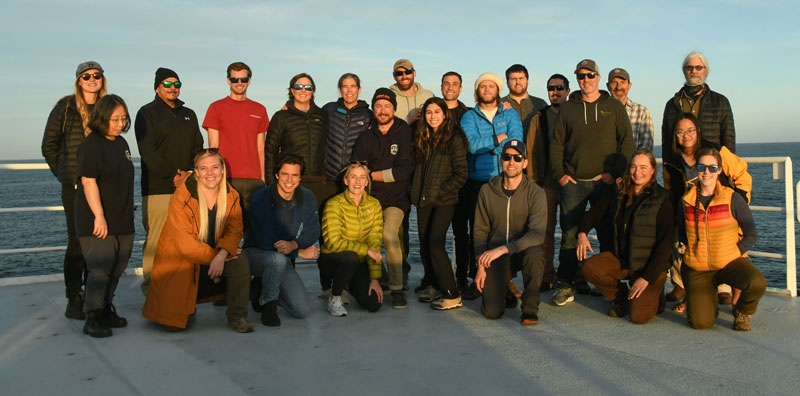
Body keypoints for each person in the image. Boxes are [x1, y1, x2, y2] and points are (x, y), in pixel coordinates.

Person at [549, 59, 633, 306]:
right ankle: (565, 285)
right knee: (569, 235)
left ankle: (610, 285)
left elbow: (626, 143)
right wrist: (560, 175)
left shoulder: (614, 107)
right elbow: (556, 144)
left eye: (590, 75)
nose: (585, 80)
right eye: (581, 76)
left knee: (608, 234)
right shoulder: (567, 108)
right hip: (573, 183)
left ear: (598, 77)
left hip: (604, 183)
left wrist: (614, 174)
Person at [142, 150, 254, 333]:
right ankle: (185, 307)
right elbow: (185, 244)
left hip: (214, 258)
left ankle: (237, 316)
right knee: (173, 326)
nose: (210, 173)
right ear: (196, 171)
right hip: (184, 259)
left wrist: (223, 253)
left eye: (215, 167)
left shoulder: (231, 195)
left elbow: (235, 230)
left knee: (240, 261)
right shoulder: (183, 195)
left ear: (223, 169)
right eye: (204, 168)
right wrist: (216, 257)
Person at [663, 113, 751, 310]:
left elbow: (742, 174)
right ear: (675, 135)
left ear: (698, 131)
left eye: (690, 130)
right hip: (692, 213)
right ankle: (686, 289)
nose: (685, 135)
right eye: (680, 132)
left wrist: (739, 203)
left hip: (720, 210)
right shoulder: (672, 159)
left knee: (732, 251)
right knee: (685, 247)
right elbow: (671, 188)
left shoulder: (715, 150)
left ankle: (732, 296)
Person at [42, 61, 107, 320]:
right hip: (76, 187)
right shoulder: (65, 107)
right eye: (86, 76)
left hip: (104, 186)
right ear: (79, 81)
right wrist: (67, 173)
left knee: (100, 243)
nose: (92, 79)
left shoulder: (108, 106)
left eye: (97, 75)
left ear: (103, 78)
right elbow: (49, 145)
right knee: (78, 242)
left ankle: (96, 297)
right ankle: (74, 297)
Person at [579, 150, 673, 324]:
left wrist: (646, 278)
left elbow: (665, 245)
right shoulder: (619, 191)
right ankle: (621, 296)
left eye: (644, 167)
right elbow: (594, 212)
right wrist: (582, 233)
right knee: (589, 267)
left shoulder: (663, 199)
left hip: (649, 266)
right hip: (622, 260)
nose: (638, 172)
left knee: (638, 317)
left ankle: (655, 296)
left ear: (653, 170)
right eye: (634, 167)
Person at [135, 67, 204, 295]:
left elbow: (198, 148)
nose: (172, 88)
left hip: (188, 187)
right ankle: (152, 290)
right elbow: (148, 151)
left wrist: (188, 175)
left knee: (186, 238)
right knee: (157, 241)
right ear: (157, 87)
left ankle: (180, 288)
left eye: (176, 84)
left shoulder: (189, 114)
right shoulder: (146, 113)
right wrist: (172, 175)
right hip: (158, 188)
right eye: (167, 84)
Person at [679, 147, 765, 331]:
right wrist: (684, 250)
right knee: (700, 323)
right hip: (698, 268)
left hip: (729, 262)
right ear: (697, 169)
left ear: (719, 170)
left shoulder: (732, 198)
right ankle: (707, 303)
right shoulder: (686, 200)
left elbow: (752, 234)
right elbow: (680, 232)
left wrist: (735, 251)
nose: (706, 172)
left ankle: (743, 311)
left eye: (712, 167)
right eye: (702, 167)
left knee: (756, 282)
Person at [74, 94, 134, 337]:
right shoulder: (91, 145)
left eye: (123, 119)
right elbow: (88, 183)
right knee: (100, 269)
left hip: (122, 216)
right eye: (114, 119)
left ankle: (107, 307)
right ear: (101, 118)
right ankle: (93, 316)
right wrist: (99, 216)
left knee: (118, 266)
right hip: (97, 219)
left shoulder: (122, 144)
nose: (120, 124)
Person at [460, 72, 523, 300]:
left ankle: (505, 280)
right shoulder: (469, 117)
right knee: (477, 232)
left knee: (504, 231)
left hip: (504, 178)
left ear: (498, 90)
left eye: (491, 86)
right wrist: (497, 140)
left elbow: (516, 144)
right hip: (477, 179)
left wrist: (499, 146)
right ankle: (475, 277)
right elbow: (471, 145)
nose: (487, 90)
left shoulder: (510, 113)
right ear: (477, 91)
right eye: (483, 86)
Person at [351, 88, 414, 309]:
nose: (383, 110)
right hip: (371, 199)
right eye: (378, 106)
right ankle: (381, 278)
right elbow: (356, 170)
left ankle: (397, 289)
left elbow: (404, 171)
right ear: (373, 109)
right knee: (368, 240)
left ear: (394, 109)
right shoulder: (366, 136)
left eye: (387, 106)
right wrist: (367, 175)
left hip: (397, 199)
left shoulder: (403, 131)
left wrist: (372, 174)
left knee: (389, 236)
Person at [473, 140, 547, 325]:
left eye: (517, 157)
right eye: (507, 157)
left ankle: (530, 309)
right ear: (501, 161)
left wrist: (504, 249)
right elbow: (479, 232)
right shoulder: (486, 191)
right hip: (494, 253)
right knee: (491, 312)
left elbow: (537, 234)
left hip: (521, 251)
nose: (511, 162)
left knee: (536, 253)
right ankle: (504, 289)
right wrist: (480, 265)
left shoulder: (536, 192)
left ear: (525, 163)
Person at [244, 154, 320, 327]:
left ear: (300, 177)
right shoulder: (261, 198)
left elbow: (313, 229)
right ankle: (268, 304)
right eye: (285, 174)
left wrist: (295, 244)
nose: (289, 180)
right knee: (276, 259)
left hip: (284, 256)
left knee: (302, 310)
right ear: (277, 175)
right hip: (256, 254)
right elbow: (264, 239)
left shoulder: (307, 197)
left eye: (294, 175)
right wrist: (298, 252)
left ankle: (260, 289)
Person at [409, 97, 468, 308]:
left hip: (444, 200)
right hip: (423, 199)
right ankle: (433, 285)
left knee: (435, 243)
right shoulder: (422, 137)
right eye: (428, 112)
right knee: (425, 243)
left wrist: (441, 192)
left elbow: (461, 174)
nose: (433, 116)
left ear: (445, 114)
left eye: (437, 112)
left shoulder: (454, 138)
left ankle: (452, 293)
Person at [203, 62, 269, 231]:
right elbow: (213, 148)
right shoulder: (216, 108)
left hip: (254, 180)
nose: (239, 83)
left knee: (254, 231)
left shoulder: (259, 109)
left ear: (249, 80)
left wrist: (263, 178)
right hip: (227, 179)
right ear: (228, 81)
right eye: (235, 79)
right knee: (224, 230)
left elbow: (261, 146)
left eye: (243, 78)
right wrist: (216, 180)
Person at [319, 163, 384, 316]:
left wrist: (374, 279)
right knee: (351, 257)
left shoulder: (374, 205)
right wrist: (366, 250)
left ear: (367, 182)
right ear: (346, 181)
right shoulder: (334, 204)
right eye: (353, 177)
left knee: (373, 304)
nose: (357, 182)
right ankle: (335, 297)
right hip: (332, 260)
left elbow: (375, 241)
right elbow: (332, 242)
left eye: (362, 177)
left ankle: (348, 284)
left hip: (357, 261)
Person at [525, 73, 570, 291]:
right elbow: (531, 150)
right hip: (546, 185)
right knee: (546, 232)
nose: (556, 92)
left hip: (572, 184)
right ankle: (546, 275)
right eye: (551, 88)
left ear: (568, 91)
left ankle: (573, 276)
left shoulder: (575, 114)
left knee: (572, 231)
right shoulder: (539, 117)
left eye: (560, 88)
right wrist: (533, 182)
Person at [265, 73, 335, 209]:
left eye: (308, 87)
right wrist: (271, 182)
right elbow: (270, 151)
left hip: (318, 180)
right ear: (292, 90)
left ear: (313, 91)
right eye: (299, 87)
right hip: (291, 181)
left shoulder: (322, 115)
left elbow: (327, 145)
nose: (303, 90)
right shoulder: (281, 117)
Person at [662, 51, 735, 166]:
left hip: (711, 169)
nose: (693, 71)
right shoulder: (671, 104)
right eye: (689, 67)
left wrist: (727, 169)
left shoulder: (721, 102)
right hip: (681, 170)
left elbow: (728, 140)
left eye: (698, 67)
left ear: (705, 71)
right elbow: (666, 142)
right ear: (684, 71)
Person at [440, 71, 473, 291]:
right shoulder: (431, 111)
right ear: (441, 86)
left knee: (463, 233)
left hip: (464, 180)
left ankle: (463, 276)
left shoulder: (469, 114)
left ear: (461, 88)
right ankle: (434, 277)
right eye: (447, 84)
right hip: (439, 181)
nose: (450, 87)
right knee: (436, 234)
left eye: (455, 84)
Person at [322, 73, 373, 185]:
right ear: (340, 90)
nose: (349, 90)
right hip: (330, 177)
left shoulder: (368, 115)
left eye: (353, 86)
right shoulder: (329, 110)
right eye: (345, 86)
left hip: (355, 180)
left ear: (359, 90)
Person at [606, 68, 654, 151]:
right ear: (608, 86)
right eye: (614, 82)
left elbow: (646, 149)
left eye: (622, 82)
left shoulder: (641, 112)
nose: (618, 87)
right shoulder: (600, 111)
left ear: (629, 85)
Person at [502, 64, 548, 133]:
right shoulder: (498, 104)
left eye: (521, 78)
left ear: (527, 81)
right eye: (513, 79)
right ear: (507, 83)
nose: (517, 82)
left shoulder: (540, 104)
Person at [389, 59, 434, 123]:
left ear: (414, 73)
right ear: (394, 76)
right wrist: (408, 121)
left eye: (408, 72)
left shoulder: (429, 96)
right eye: (399, 73)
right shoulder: (389, 98)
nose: (404, 76)